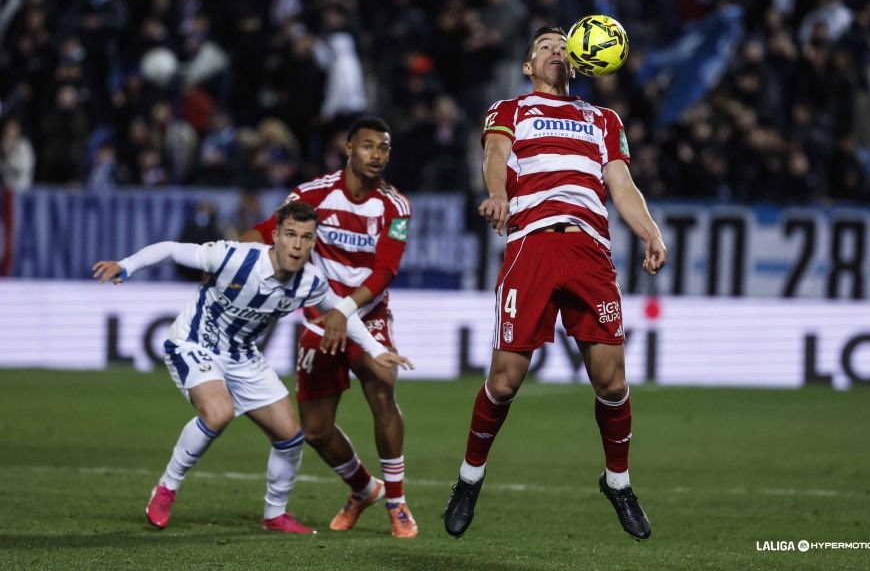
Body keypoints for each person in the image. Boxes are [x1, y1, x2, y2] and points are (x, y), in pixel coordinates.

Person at [442, 27, 667, 541]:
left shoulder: (603, 119)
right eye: (545, 46)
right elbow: (494, 156)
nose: (556, 51)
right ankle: (469, 478)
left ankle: (618, 480)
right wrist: (497, 194)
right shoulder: (510, 110)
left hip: (590, 251)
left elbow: (621, 184)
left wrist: (650, 232)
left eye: (563, 46)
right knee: (503, 382)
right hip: (533, 247)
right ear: (528, 67)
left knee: (612, 383)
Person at [92, 200, 412, 534]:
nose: (297, 244)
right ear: (275, 235)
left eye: (306, 237)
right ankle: (167, 488)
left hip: (242, 355)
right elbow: (171, 250)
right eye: (290, 234)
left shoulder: (310, 282)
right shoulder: (235, 257)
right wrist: (125, 266)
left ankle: (275, 515)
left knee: (290, 437)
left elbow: (341, 311)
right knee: (218, 412)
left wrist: (376, 349)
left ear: (313, 242)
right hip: (194, 342)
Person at [241, 117, 417, 538]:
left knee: (383, 389)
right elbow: (264, 234)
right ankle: (362, 488)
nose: (377, 155)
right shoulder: (312, 195)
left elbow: (386, 270)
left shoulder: (396, 207)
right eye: (369, 146)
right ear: (349, 148)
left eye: (384, 148)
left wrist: (346, 311)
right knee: (316, 431)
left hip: (368, 318)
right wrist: (237, 262)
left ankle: (397, 504)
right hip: (321, 323)